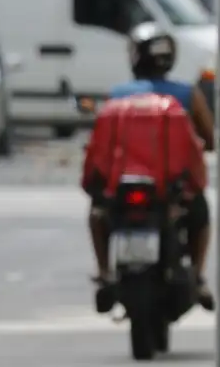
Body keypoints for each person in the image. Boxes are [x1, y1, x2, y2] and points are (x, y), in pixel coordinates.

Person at [90, 22, 214, 311]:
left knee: (98, 213)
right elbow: (209, 139)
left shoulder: (119, 94)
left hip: (122, 187)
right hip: (172, 190)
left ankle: (105, 273)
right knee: (201, 214)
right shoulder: (187, 94)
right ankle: (197, 276)